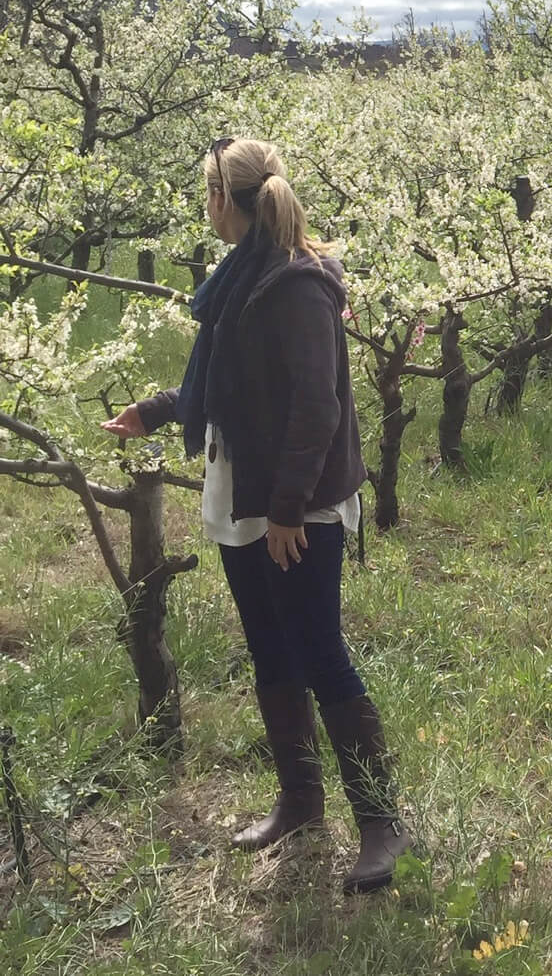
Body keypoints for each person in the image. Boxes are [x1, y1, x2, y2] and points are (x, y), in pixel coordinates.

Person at [103, 136, 409, 894]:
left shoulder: (297, 283)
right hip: (245, 491)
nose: (201, 207)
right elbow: (236, 384)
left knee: (317, 646)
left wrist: (286, 510)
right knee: (271, 647)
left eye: (204, 193)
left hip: (293, 502)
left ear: (222, 200)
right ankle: (301, 802)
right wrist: (158, 409)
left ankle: (381, 821)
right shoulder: (239, 276)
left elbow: (317, 406)